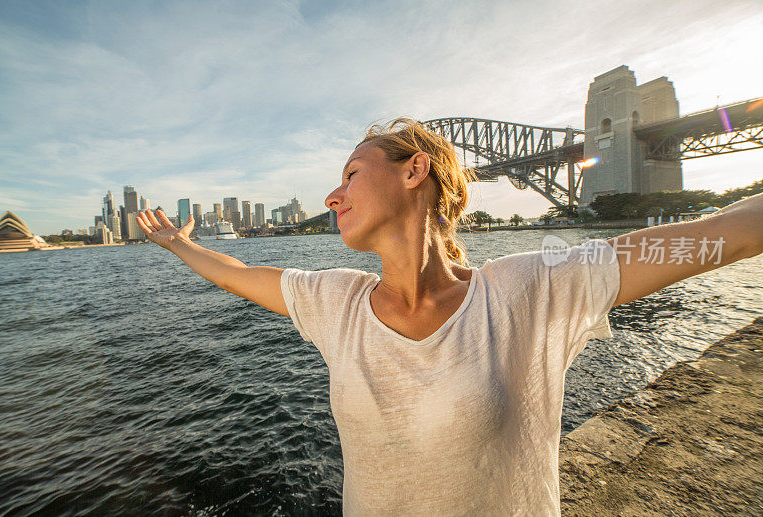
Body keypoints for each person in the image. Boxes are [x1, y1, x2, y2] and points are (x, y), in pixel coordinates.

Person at [136, 118, 762, 516]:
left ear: (415, 171)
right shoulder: (337, 302)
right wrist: (178, 245)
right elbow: (237, 275)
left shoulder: (521, 290)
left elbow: (713, 238)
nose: (333, 196)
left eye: (352, 174)